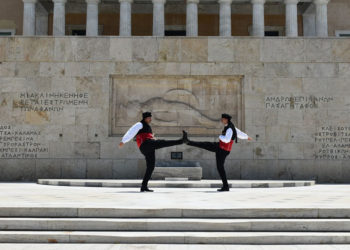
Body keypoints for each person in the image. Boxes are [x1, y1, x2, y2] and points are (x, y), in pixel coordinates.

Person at [183, 114, 252, 192]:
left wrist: (220, 137)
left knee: (220, 167)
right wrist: (247, 137)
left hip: (222, 150)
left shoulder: (229, 129)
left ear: (226, 119)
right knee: (206, 145)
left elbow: (227, 140)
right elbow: (240, 133)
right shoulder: (231, 126)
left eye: (222, 119)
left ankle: (225, 186)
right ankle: (188, 142)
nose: (221, 120)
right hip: (221, 148)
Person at [119, 112, 186, 192]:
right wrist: (123, 141)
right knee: (162, 142)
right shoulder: (140, 124)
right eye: (149, 118)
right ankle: (181, 141)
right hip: (145, 144)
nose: (151, 119)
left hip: (148, 146)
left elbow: (147, 136)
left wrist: (152, 138)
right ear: (145, 118)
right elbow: (131, 131)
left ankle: (144, 186)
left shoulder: (148, 127)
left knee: (151, 166)